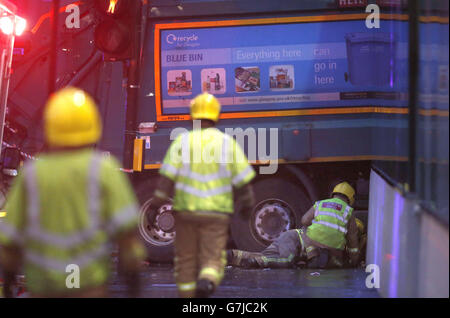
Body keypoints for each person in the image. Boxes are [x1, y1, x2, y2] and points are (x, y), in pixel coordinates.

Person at [0, 87, 146, 297]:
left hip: (44, 287)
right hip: (88, 286)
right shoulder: (104, 171)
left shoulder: (32, 175)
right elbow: (127, 236)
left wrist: (10, 278)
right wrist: (133, 280)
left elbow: (11, 239)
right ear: (92, 125)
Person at [149, 92, 255, 298]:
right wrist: (247, 205)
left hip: (186, 212)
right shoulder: (226, 143)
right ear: (217, 116)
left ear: (192, 116)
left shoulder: (182, 142)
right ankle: (207, 280)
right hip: (216, 213)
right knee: (212, 258)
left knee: (186, 260)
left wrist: (156, 204)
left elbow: (166, 180)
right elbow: (243, 181)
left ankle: (188, 299)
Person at [227, 182, 362, 269]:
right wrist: (355, 261)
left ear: (333, 193)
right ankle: (258, 262)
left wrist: (317, 227)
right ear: (351, 198)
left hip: (296, 238)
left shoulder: (321, 204)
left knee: (266, 255)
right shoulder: (348, 212)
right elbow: (353, 242)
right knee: (286, 260)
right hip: (295, 239)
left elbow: (304, 220)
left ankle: (232, 255)